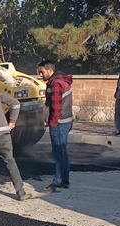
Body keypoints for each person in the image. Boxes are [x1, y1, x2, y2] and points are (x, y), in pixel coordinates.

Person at [37, 59, 74, 193]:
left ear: (50, 70)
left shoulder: (56, 84)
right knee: (63, 152)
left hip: (59, 123)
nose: (40, 75)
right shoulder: (61, 80)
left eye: (42, 72)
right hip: (66, 121)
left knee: (58, 153)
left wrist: (52, 123)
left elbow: (56, 107)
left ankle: (56, 183)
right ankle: (65, 181)